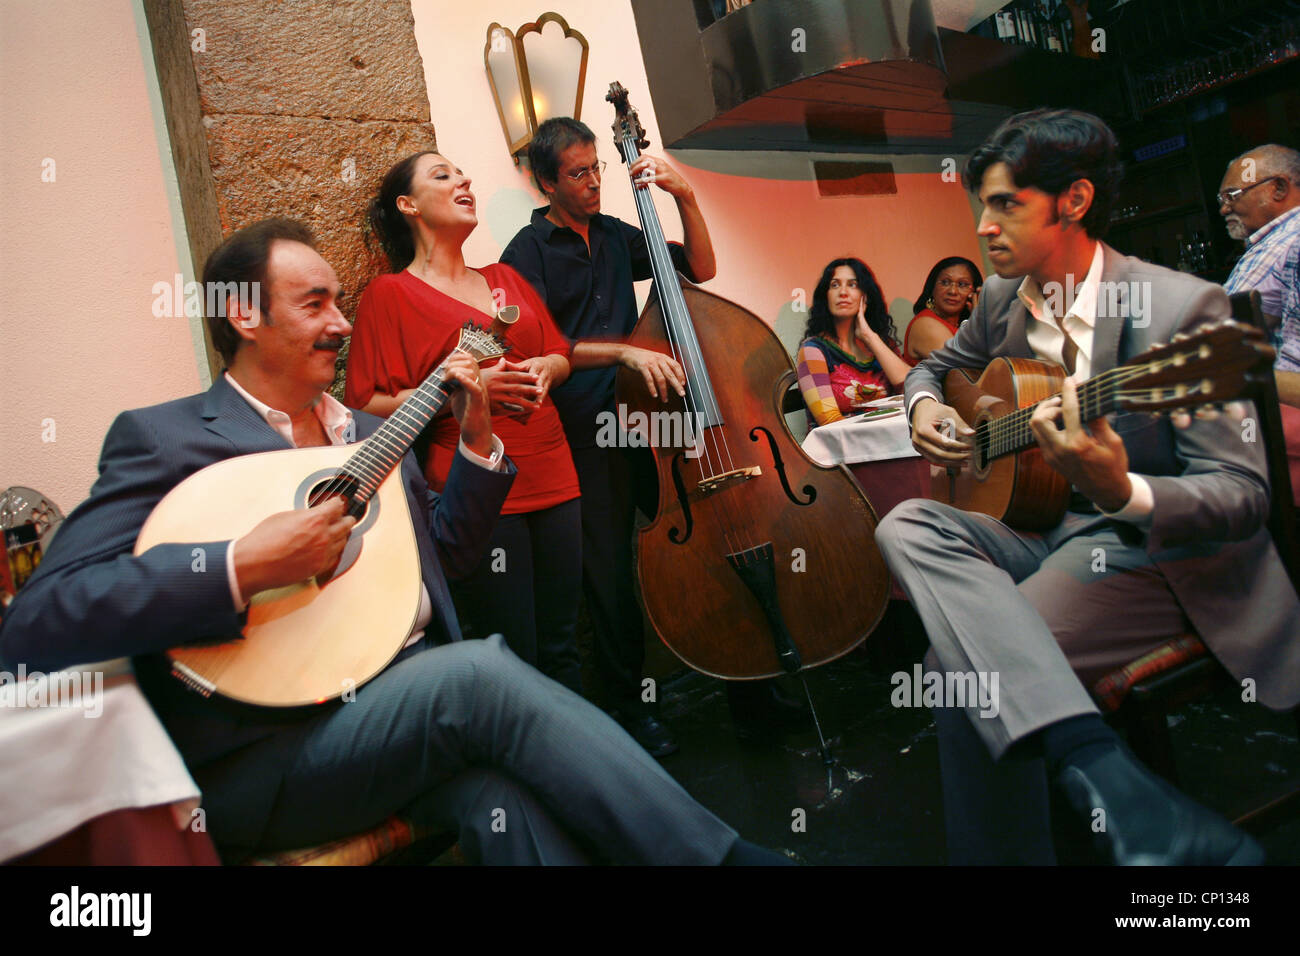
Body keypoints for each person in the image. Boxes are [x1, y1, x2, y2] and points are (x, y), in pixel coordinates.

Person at [0, 218, 788, 866]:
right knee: (478, 673)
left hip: (399, 717)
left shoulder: (373, 435)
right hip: (268, 761)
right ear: (244, 314)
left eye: (341, 303)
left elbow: (444, 561)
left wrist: (479, 447)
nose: (342, 324)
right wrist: (238, 566)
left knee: (504, 804)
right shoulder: (164, 440)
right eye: (316, 305)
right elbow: (35, 625)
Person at [877, 108, 1300, 865]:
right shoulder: (1003, 301)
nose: (982, 227)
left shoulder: (1178, 311)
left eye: (1006, 204)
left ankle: (1092, 798)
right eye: (982, 205)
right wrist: (927, 405)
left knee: (956, 673)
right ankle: (1118, 788)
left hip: (1149, 548)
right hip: (1036, 525)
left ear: (1073, 201)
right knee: (905, 522)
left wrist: (1121, 489)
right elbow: (932, 368)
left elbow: (1243, 497)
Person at [345, 151, 584, 695]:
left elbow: (560, 354)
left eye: (462, 171)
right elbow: (367, 404)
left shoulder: (505, 278)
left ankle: (583, 760)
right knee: (512, 648)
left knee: (564, 642)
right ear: (408, 206)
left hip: (554, 474)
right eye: (443, 175)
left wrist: (549, 366)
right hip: (473, 488)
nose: (464, 178)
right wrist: (462, 389)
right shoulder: (390, 295)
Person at [795, 257, 911, 426]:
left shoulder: (882, 345)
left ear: (865, 296)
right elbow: (829, 423)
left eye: (853, 284)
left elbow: (910, 387)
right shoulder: (813, 350)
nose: (843, 292)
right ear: (825, 297)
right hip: (839, 446)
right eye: (834, 285)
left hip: (889, 440)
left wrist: (869, 336)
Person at [1220, 144, 1300, 333]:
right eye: (1221, 200)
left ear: (1278, 189)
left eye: (1231, 195)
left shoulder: (1281, 242)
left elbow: (1221, 333)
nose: (1224, 209)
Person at [902, 257, 983, 364]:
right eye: (945, 282)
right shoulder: (925, 324)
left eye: (962, 284)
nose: (953, 291)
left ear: (974, 293)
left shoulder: (964, 327)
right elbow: (969, 368)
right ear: (932, 288)